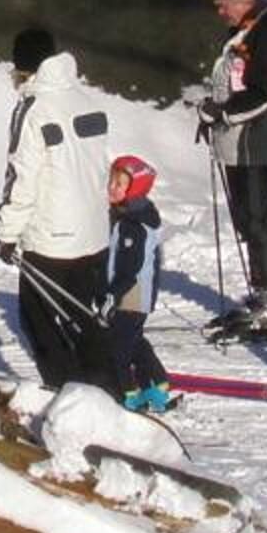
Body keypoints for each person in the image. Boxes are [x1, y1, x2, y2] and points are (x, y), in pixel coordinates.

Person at [0, 25, 115, 387]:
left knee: (39, 321)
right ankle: (105, 387)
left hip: (51, 237)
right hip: (93, 232)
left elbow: (22, 177)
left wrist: (7, 232)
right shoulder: (85, 98)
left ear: (23, 69)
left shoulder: (32, 109)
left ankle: (64, 395)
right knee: (84, 317)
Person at [199, 0, 267, 338]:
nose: (219, 11)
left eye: (222, 3)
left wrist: (223, 111)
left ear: (241, 0)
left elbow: (266, 93)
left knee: (258, 218)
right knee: (246, 218)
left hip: (255, 140)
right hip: (236, 140)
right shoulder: (245, 32)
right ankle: (262, 293)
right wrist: (214, 110)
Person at [103, 154, 175, 413]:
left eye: (119, 184)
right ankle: (157, 384)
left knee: (117, 348)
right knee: (134, 342)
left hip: (130, 295)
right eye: (111, 181)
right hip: (135, 296)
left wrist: (112, 295)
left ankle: (127, 395)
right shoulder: (129, 215)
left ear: (134, 189)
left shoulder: (133, 225)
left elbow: (130, 267)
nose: (112, 187)